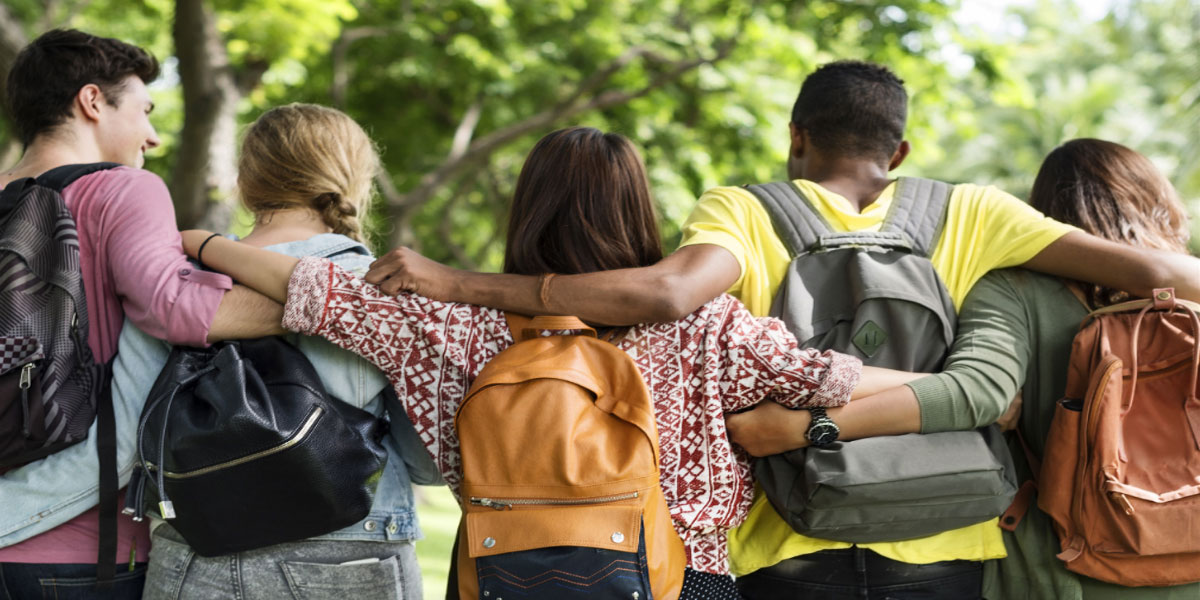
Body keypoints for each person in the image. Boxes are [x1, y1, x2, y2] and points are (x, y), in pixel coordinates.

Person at [360, 61, 1200, 598]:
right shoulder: (975, 212)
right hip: (945, 531)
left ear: (796, 139)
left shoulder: (747, 209)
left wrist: (459, 283)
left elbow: (667, 293)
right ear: (900, 151)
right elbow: (1172, 276)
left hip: (791, 535)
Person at [180, 126, 923, 599]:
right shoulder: (708, 327)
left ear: (526, 209)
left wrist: (202, 243)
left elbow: (313, 289)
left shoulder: (449, 324)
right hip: (681, 582)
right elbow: (835, 380)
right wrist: (955, 390)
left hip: (506, 575)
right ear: (637, 208)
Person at [0, 29, 279, 598]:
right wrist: (324, 303)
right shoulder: (123, 190)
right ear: (92, 100)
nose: (152, 136)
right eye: (145, 110)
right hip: (77, 552)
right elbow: (176, 309)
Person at [131, 103, 431, 600]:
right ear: (354, 180)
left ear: (246, 182)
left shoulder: (174, 280)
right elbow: (425, 463)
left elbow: (137, 422)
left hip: (196, 541)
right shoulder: (382, 287)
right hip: (350, 545)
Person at [905, 139, 1198, 599]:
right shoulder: (1190, 296)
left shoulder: (1011, 289)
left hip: (1061, 565)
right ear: (1157, 202)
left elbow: (984, 396)